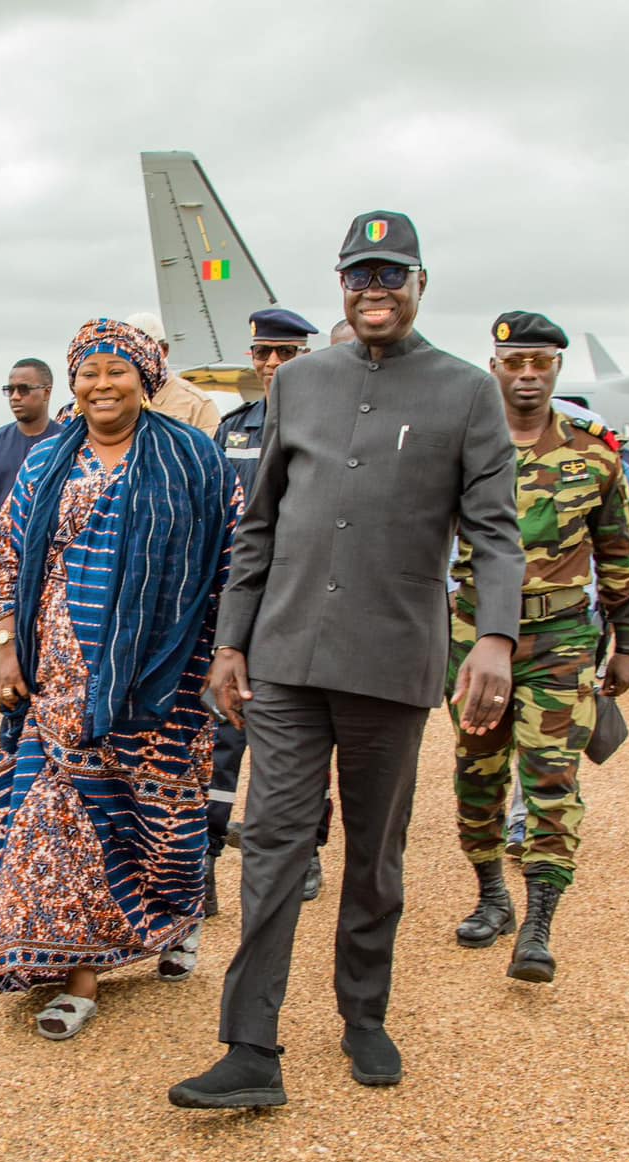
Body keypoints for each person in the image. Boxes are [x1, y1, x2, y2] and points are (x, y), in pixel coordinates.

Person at [169, 210, 522, 1109]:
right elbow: (258, 528)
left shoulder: (466, 392)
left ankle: (364, 1014)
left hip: (390, 662)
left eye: (391, 274)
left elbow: (494, 530)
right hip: (285, 657)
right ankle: (251, 1046)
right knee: (275, 848)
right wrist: (232, 641)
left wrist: (494, 637)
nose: (375, 289)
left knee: (374, 855)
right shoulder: (302, 384)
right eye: (360, 275)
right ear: (342, 286)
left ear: (419, 284)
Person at [0, 317, 241, 1041]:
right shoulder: (46, 460)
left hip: (163, 673)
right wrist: (8, 645)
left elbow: (228, 561)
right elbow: (9, 556)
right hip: (58, 673)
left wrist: (223, 654)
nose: (102, 386)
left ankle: (176, 918)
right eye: (89, 373)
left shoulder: (194, 458)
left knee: (163, 821)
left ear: (147, 377)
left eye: (117, 371)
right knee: (56, 816)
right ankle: (76, 972)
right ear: (74, 383)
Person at [450, 313, 629, 981]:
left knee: (553, 779)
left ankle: (538, 926)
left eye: (541, 363)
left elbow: (618, 551)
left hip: (561, 635)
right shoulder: (464, 443)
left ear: (558, 368)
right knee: (477, 771)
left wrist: (627, 642)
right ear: (495, 365)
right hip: (473, 634)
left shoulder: (594, 449)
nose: (528, 375)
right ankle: (491, 896)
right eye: (515, 363)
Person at [208, 307, 332, 916]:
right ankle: (202, 858)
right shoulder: (233, 428)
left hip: (303, 608)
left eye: (286, 352)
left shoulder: (336, 425)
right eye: (263, 353)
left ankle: (305, 848)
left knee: (304, 739)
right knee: (219, 738)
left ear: (307, 354)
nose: (273, 364)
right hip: (236, 609)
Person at [0, 359, 57, 594]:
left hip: (57, 565)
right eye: (10, 390)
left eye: (24, 389)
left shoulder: (67, 443)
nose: (15, 397)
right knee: (8, 630)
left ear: (47, 392)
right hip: (7, 564)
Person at [127, 311, 223, 433]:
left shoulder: (197, 405)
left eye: (146, 351)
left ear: (164, 350)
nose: (138, 359)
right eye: (131, 351)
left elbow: (210, 450)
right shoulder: (115, 401)